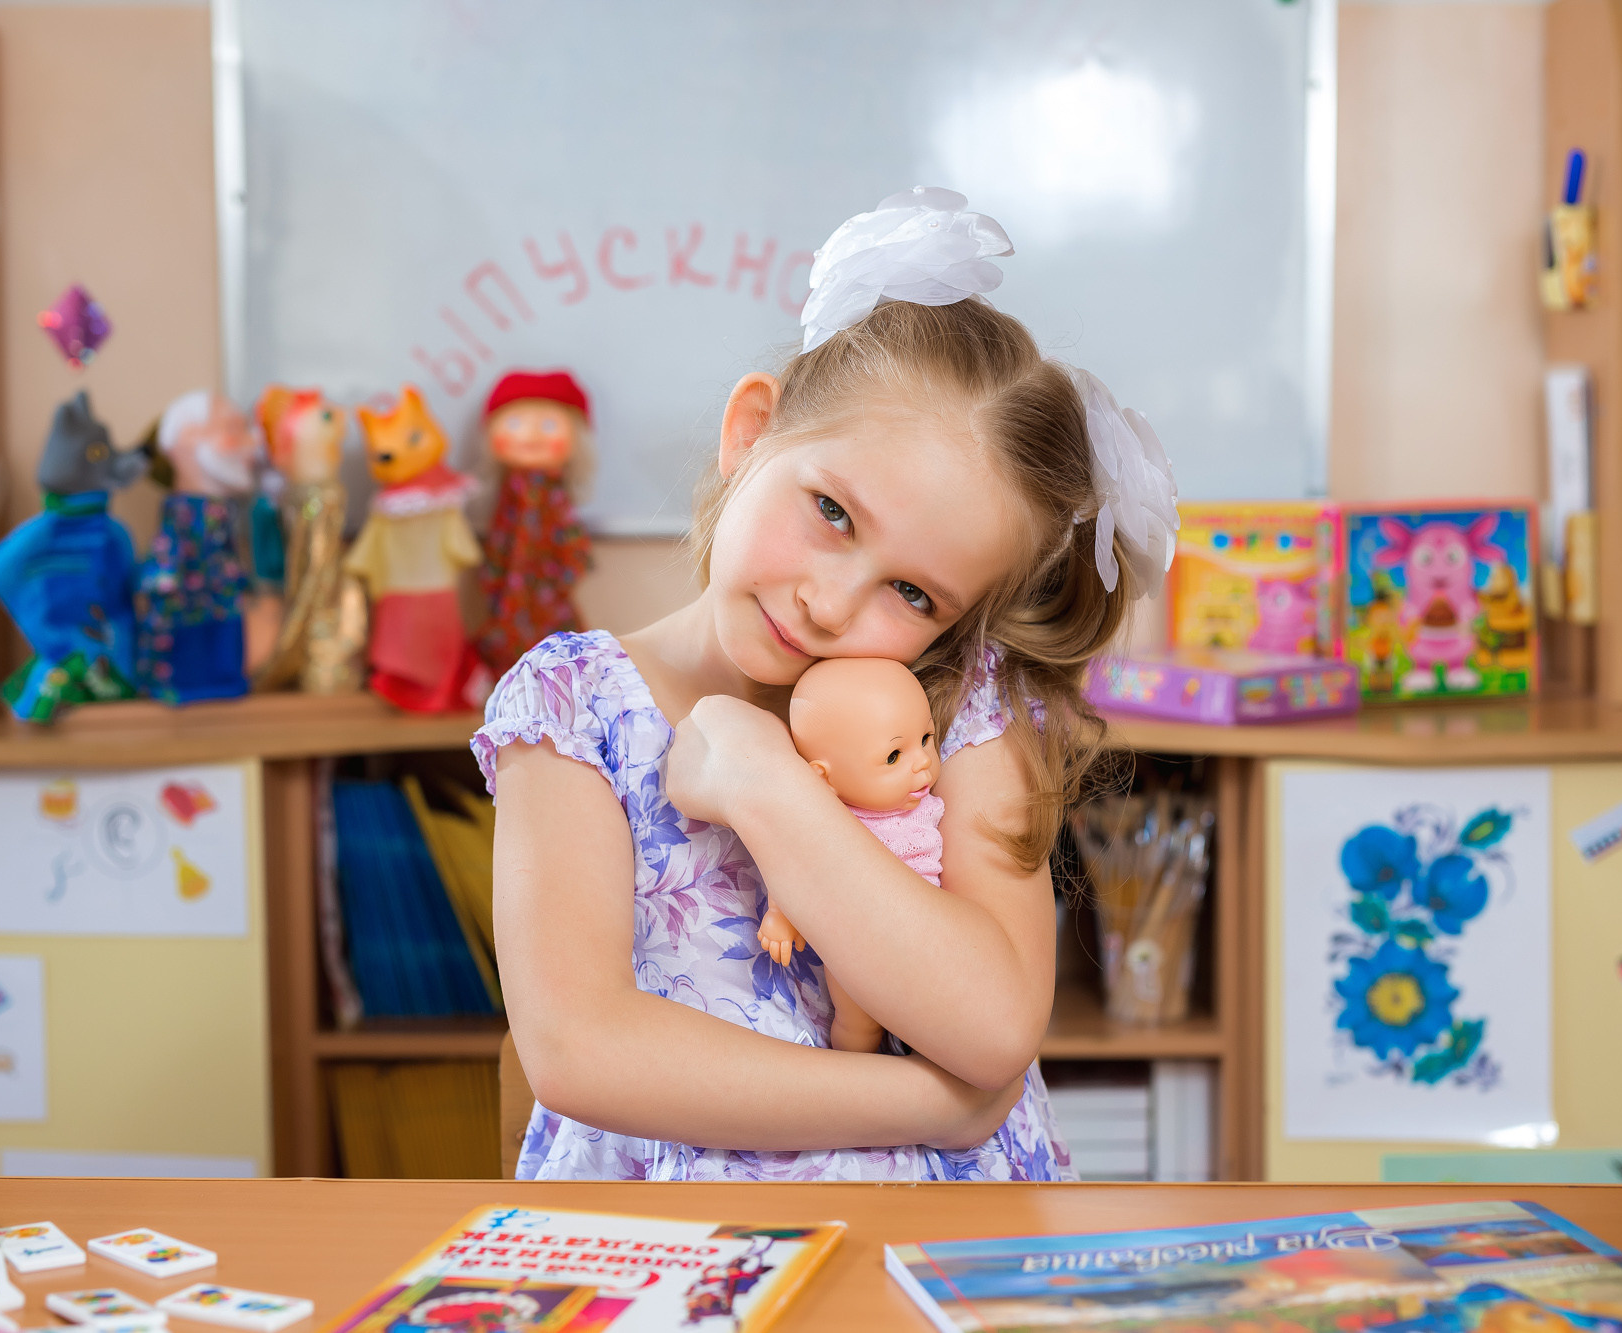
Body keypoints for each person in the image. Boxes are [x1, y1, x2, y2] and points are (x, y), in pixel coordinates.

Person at [472, 187, 1178, 1181]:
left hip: (938, 1238)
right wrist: (930, 1106)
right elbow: (578, 1050)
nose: (830, 603)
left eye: (911, 591)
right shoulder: (572, 707)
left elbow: (988, 1025)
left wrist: (765, 783)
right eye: (832, 512)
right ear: (750, 434)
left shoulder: (960, 704)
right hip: (674, 1242)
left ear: (957, 619)